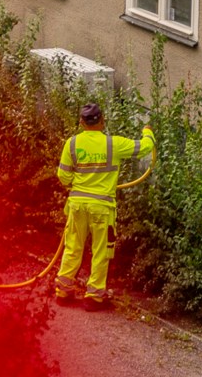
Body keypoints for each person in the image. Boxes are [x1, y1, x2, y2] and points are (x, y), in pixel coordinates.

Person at [53, 99, 153, 304]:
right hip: (102, 208)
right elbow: (144, 148)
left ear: (81, 122)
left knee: (73, 247)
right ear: (103, 121)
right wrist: (148, 132)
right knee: (101, 251)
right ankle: (94, 296)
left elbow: (63, 177)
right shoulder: (113, 144)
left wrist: (80, 185)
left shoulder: (71, 143)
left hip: (77, 205)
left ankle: (63, 290)